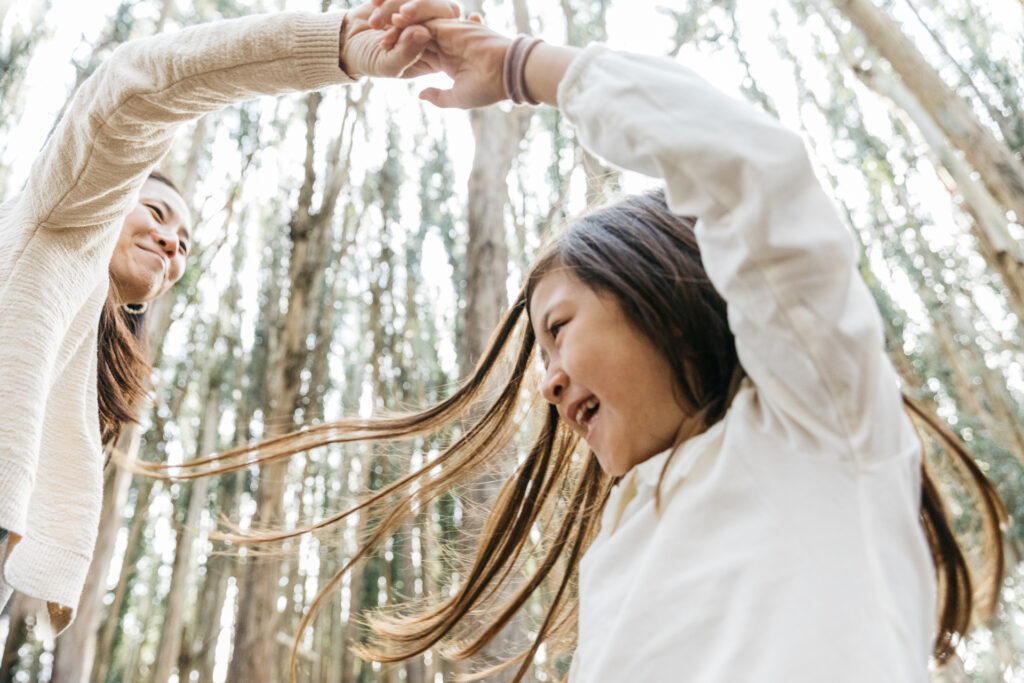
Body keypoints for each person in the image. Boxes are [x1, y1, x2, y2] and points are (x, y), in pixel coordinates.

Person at [144, 11, 1007, 683]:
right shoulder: (621, 552)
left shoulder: (818, 419)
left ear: (661, 294)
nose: (549, 384)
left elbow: (748, 167)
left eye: (558, 329)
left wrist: (519, 64)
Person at [0, 0, 465, 635]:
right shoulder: (67, 214)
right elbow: (138, 82)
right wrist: (341, 43)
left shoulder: (80, 358)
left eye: (186, 242)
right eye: (157, 213)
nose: (173, 244)